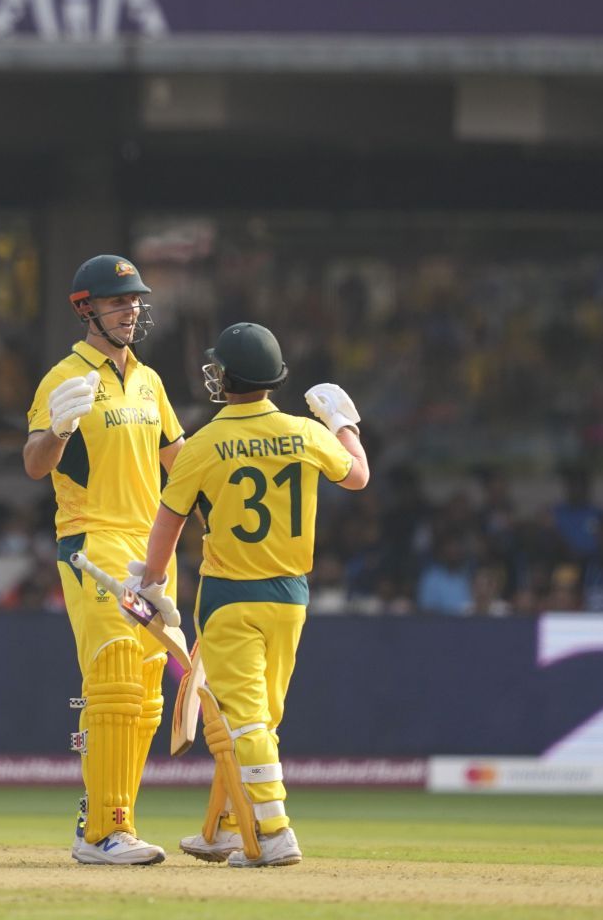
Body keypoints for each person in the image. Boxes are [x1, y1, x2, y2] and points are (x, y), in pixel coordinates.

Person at [137, 322, 370, 868]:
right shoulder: (306, 434)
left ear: (226, 377)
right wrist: (344, 423)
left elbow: (167, 525)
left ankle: (274, 832)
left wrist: (150, 581)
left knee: (245, 721)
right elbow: (358, 476)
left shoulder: (204, 445)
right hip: (291, 596)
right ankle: (222, 827)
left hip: (231, 595)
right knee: (257, 717)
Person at [23, 254, 185, 865]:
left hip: (150, 548)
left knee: (144, 696)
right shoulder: (63, 376)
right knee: (114, 675)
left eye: (136, 300)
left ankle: (111, 823)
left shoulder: (149, 380)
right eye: (119, 301)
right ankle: (102, 835)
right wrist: (59, 429)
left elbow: (180, 461)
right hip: (93, 542)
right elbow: (36, 465)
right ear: (86, 307)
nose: (131, 309)